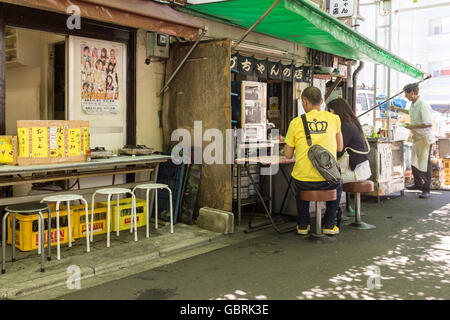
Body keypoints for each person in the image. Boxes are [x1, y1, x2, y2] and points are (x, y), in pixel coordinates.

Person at [284, 86, 343, 235]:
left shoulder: (296, 122)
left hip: (304, 181)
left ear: (304, 102)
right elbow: (340, 147)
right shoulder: (334, 119)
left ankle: (303, 225)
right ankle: (329, 224)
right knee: (338, 183)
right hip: (327, 179)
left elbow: (288, 155)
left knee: (298, 179)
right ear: (322, 101)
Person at [327, 98, 372, 227]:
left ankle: (333, 217)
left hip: (356, 171)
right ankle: (335, 213)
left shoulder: (344, 125)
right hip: (359, 168)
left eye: (330, 111)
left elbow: (338, 151)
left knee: (331, 181)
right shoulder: (351, 122)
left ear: (336, 111)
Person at [389, 83, 435, 199]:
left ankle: (426, 189)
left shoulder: (423, 105)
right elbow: (410, 112)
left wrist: (412, 127)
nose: (405, 96)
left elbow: (428, 124)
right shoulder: (414, 104)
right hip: (417, 138)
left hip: (425, 138)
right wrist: (398, 109)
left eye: (406, 94)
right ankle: (418, 184)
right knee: (414, 162)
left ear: (413, 93)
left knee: (425, 164)